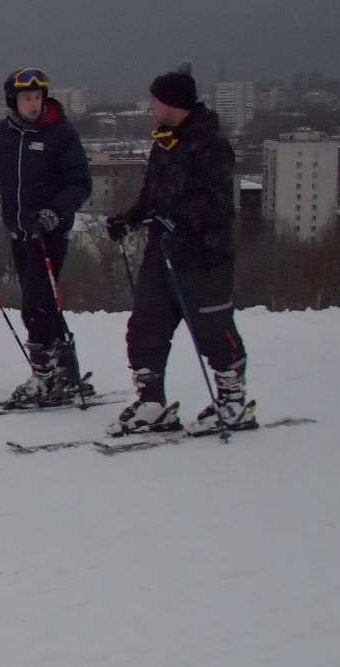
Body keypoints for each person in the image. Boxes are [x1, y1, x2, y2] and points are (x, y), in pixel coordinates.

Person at [105, 68, 253, 434]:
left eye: (155, 99)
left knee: (213, 329)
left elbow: (212, 201)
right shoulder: (165, 142)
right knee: (145, 326)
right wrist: (130, 219)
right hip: (163, 252)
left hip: (204, 255)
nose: (151, 106)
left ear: (172, 102)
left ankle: (233, 403)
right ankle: (152, 402)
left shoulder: (210, 144)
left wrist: (176, 218)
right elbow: (151, 196)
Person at [0, 68, 94, 406]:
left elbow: (80, 183)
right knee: (42, 307)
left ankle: (45, 377)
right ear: (12, 101)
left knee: (35, 306)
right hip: (18, 232)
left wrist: (54, 212)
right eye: (27, 98)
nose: (34, 104)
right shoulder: (1, 134)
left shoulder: (60, 133)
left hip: (49, 234)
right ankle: (66, 374)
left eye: (38, 97)